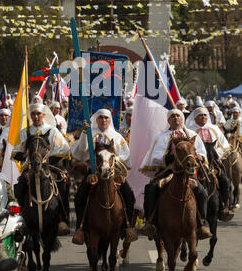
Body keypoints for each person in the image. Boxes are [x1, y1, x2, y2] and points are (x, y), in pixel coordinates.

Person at [139, 109, 212, 240]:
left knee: (202, 192)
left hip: (187, 172)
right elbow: (155, 156)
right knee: (150, 189)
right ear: (168, 120)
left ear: (182, 118)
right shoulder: (161, 137)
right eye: (172, 116)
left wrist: (199, 157)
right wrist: (170, 158)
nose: (176, 118)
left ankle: (202, 224)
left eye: (178, 115)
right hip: (168, 171)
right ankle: (150, 223)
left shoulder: (191, 135)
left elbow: (201, 152)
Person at [71, 108, 137, 245]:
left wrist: (112, 162)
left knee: (129, 195)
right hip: (93, 173)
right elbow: (81, 151)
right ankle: (80, 228)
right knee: (79, 197)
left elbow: (125, 156)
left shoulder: (117, 137)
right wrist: (84, 132)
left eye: (106, 118)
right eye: (100, 118)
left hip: (113, 173)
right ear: (96, 120)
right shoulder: (90, 134)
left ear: (110, 120)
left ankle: (127, 227)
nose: (103, 120)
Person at [12, 102, 71, 236]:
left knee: (62, 186)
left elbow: (63, 149)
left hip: (50, 167)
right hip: (30, 169)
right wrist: (24, 156)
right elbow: (17, 151)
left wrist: (47, 164)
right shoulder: (24, 132)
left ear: (44, 115)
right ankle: (20, 218)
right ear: (30, 116)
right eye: (33, 114)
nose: (36, 116)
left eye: (39, 114)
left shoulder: (53, 130)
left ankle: (62, 218)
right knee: (20, 187)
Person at [185, 107, 234, 221]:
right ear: (195, 117)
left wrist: (217, 155)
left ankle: (224, 207)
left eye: (205, 115)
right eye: (200, 115)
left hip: (212, 162)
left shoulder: (215, 129)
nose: (203, 117)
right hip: (195, 163)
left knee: (225, 181)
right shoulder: (189, 130)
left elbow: (225, 146)